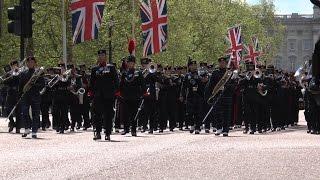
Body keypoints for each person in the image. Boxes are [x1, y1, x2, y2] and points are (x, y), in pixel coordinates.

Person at [90, 50, 119, 141]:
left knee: (108, 114)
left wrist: (115, 92)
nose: (101, 57)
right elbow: (92, 82)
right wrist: (92, 93)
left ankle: (107, 133)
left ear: (105, 56)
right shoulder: (95, 69)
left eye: (103, 55)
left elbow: (116, 81)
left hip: (108, 95)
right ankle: (98, 132)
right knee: (97, 115)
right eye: (100, 55)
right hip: (98, 95)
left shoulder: (111, 68)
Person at [205, 57, 236, 136]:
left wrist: (227, 86)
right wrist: (210, 96)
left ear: (226, 63)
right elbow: (210, 85)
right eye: (220, 63)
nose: (222, 64)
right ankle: (219, 128)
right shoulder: (215, 73)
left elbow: (234, 84)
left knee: (227, 113)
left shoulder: (229, 73)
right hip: (217, 95)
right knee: (217, 113)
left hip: (227, 95)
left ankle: (226, 129)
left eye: (223, 63)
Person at [119, 55, 146, 136]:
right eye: (129, 63)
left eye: (132, 63)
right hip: (126, 95)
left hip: (135, 96)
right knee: (125, 113)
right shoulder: (124, 73)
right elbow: (121, 84)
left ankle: (133, 130)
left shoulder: (138, 73)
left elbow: (143, 84)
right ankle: (126, 129)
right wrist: (119, 92)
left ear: (134, 63)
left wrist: (143, 93)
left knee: (134, 114)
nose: (130, 64)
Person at [20, 56, 45, 138]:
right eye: (28, 62)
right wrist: (20, 94)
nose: (30, 63)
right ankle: (27, 128)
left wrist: (33, 85)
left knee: (35, 114)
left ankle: (34, 131)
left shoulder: (39, 73)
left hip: (35, 95)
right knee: (24, 112)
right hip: (26, 96)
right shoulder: (23, 73)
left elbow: (42, 85)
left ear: (34, 63)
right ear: (26, 63)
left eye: (32, 62)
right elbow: (20, 86)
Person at [3, 60, 22, 133]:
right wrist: (11, 76)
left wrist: (17, 74)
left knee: (18, 111)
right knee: (7, 109)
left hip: (18, 93)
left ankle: (18, 127)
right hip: (10, 93)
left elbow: (22, 81)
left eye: (15, 64)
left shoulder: (21, 73)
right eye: (12, 65)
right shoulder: (9, 74)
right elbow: (4, 82)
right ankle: (12, 123)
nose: (14, 66)